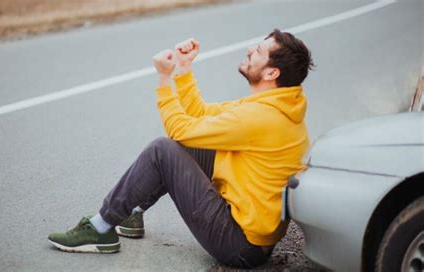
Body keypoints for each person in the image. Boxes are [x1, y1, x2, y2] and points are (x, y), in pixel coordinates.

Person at [48, 29, 314, 268]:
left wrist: (164, 79)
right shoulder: (275, 106)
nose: (249, 50)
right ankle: (131, 213)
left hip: (240, 244)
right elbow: (200, 116)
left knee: (162, 150)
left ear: (271, 73)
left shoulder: (261, 118)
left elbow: (179, 130)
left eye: (258, 51)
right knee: (193, 146)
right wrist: (184, 69)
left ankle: (100, 227)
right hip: (254, 237)